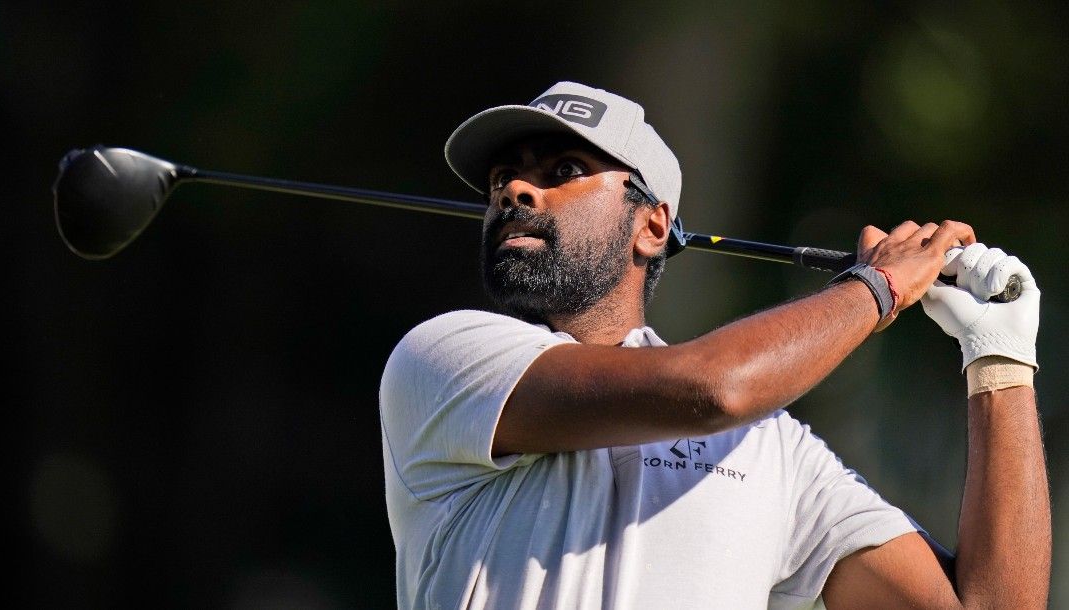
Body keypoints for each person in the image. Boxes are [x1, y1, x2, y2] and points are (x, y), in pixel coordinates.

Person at [379, 81, 1050, 609]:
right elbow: (712, 389)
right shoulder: (445, 359)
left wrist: (1001, 360)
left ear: (652, 226)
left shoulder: (772, 449)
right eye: (504, 181)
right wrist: (878, 287)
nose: (517, 191)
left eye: (563, 169)